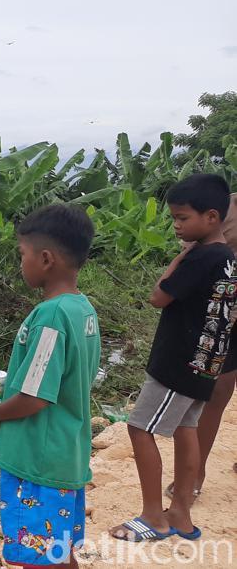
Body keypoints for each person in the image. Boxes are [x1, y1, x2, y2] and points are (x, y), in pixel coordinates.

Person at [109, 174, 237, 542]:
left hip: (178, 362)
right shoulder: (227, 257)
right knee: (186, 428)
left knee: (140, 428)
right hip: (207, 363)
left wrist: (180, 257)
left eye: (182, 218)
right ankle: (180, 514)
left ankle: (154, 517)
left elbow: (157, 297)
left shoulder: (200, 257)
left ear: (211, 217)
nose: (177, 226)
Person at [0, 203, 99, 568]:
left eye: (23, 255)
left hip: (37, 460)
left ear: (46, 259)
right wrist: (5, 385)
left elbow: (35, 395)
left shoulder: (51, 315)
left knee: (36, 557)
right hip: (65, 453)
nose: (21, 263)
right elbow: (57, 379)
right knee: (58, 552)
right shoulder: (82, 309)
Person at [163, 192, 237, 502]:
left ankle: (194, 476)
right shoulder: (225, 207)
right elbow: (194, 250)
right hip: (226, 308)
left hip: (223, 310)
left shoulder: (226, 206)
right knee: (217, 390)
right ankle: (194, 475)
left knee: (215, 392)